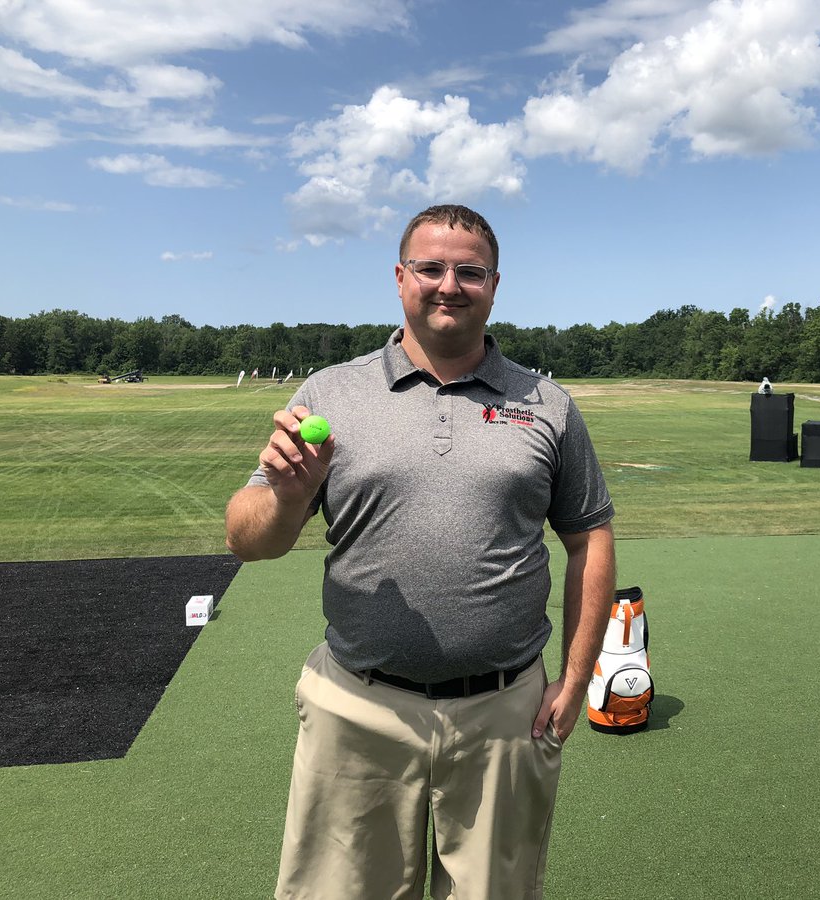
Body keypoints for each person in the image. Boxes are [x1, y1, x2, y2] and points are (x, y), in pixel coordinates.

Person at [225, 204, 617, 900]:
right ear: (400, 277)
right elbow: (247, 540)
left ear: (495, 285)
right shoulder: (330, 393)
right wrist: (287, 497)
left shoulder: (547, 404)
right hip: (358, 708)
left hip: (505, 712)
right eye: (430, 268)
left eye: (470, 272)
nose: (449, 285)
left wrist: (577, 676)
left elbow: (589, 537)